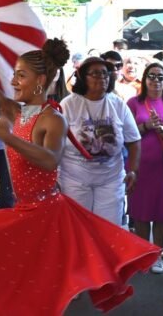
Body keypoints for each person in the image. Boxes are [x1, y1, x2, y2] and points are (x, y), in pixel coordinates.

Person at [0, 16, 159, 315]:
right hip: (24, 212)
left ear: (41, 81)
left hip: (48, 215)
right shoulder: (13, 111)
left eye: (21, 76)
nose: (13, 81)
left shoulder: (52, 118)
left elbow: (49, 160)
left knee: (40, 289)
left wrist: (7, 136)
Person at [58, 57, 141, 224]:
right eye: (95, 73)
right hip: (74, 179)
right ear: (82, 77)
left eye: (105, 73)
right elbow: (54, 143)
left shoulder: (117, 104)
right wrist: (54, 176)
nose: (102, 77)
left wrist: (133, 170)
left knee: (108, 230)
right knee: (78, 228)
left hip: (111, 179)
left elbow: (134, 141)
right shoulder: (68, 105)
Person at [126, 62, 163, 274]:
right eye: (152, 76)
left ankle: (156, 255)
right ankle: (143, 255)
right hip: (139, 166)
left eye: (160, 77)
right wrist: (146, 126)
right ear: (144, 79)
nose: (156, 80)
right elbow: (127, 135)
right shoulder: (134, 103)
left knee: (161, 213)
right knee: (141, 213)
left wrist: (160, 130)